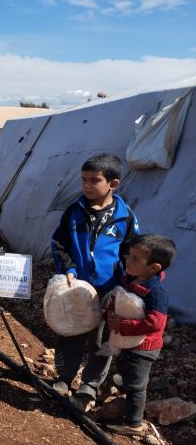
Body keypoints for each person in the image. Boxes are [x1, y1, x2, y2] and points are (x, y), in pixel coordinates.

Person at [50, 153, 139, 410]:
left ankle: (90, 384)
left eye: (94, 180)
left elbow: (131, 252)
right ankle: (64, 378)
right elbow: (58, 242)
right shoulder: (74, 212)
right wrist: (67, 268)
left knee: (102, 339)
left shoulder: (125, 217)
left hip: (108, 289)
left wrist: (125, 283)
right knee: (71, 331)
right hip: (76, 288)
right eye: (83, 180)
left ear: (113, 184)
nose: (87, 186)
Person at [105, 234, 175, 436]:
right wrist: (110, 314)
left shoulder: (155, 293)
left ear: (154, 268)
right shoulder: (130, 280)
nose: (128, 259)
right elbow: (120, 299)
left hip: (144, 348)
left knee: (137, 385)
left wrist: (124, 325)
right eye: (130, 255)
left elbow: (155, 323)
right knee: (127, 372)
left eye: (136, 258)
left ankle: (133, 423)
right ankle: (124, 403)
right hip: (128, 342)